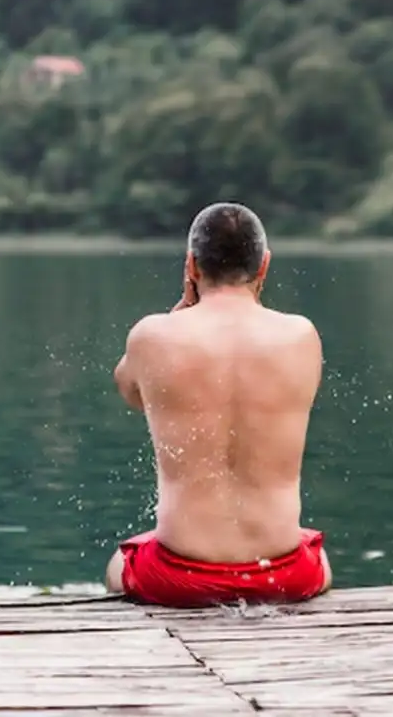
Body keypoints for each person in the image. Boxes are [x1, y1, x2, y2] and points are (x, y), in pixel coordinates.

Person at [104, 202, 332, 607]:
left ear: (192, 266)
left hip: (178, 578)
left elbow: (131, 392)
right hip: (283, 576)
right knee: (320, 556)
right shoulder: (302, 336)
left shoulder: (152, 336)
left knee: (117, 564)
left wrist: (177, 314)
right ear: (263, 266)